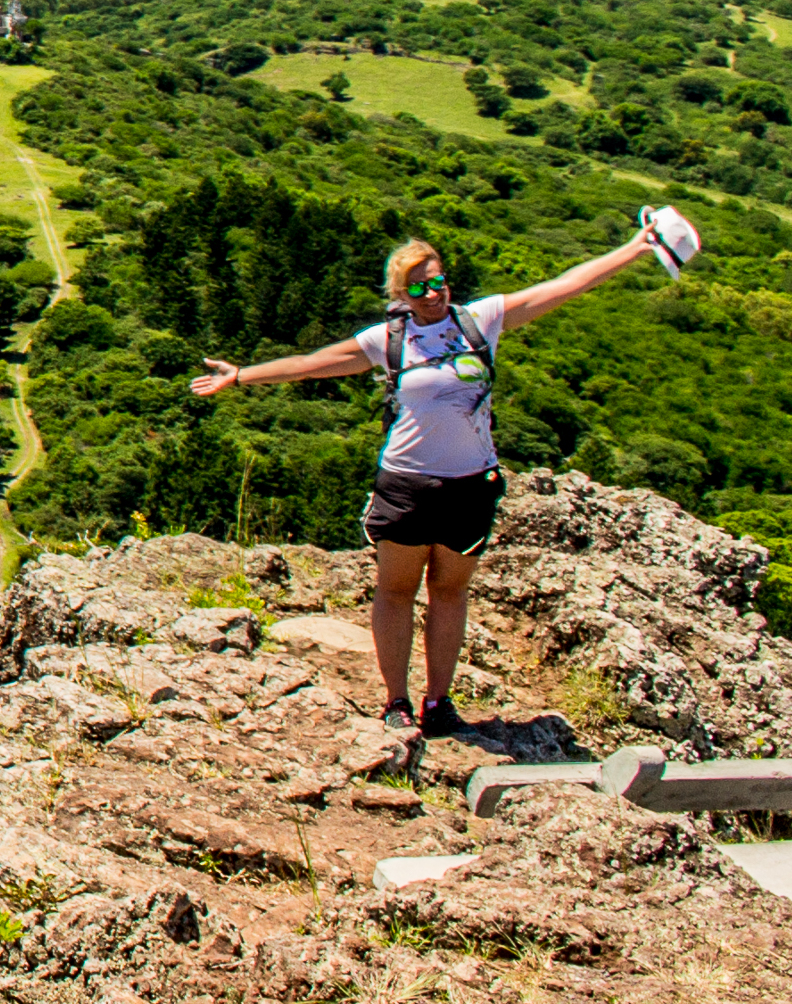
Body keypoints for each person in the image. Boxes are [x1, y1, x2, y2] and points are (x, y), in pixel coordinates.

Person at [187, 208, 700, 736]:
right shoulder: (386, 340)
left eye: (438, 281)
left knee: (450, 592)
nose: (432, 293)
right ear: (400, 294)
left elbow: (564, 286)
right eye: (418, 287)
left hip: (470, 484)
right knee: (396, 591)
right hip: (407, 481)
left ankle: (439, 702)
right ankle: (396, 701)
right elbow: (311, 363)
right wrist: (242, 376)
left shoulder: (481, 321)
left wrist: (638, 247)